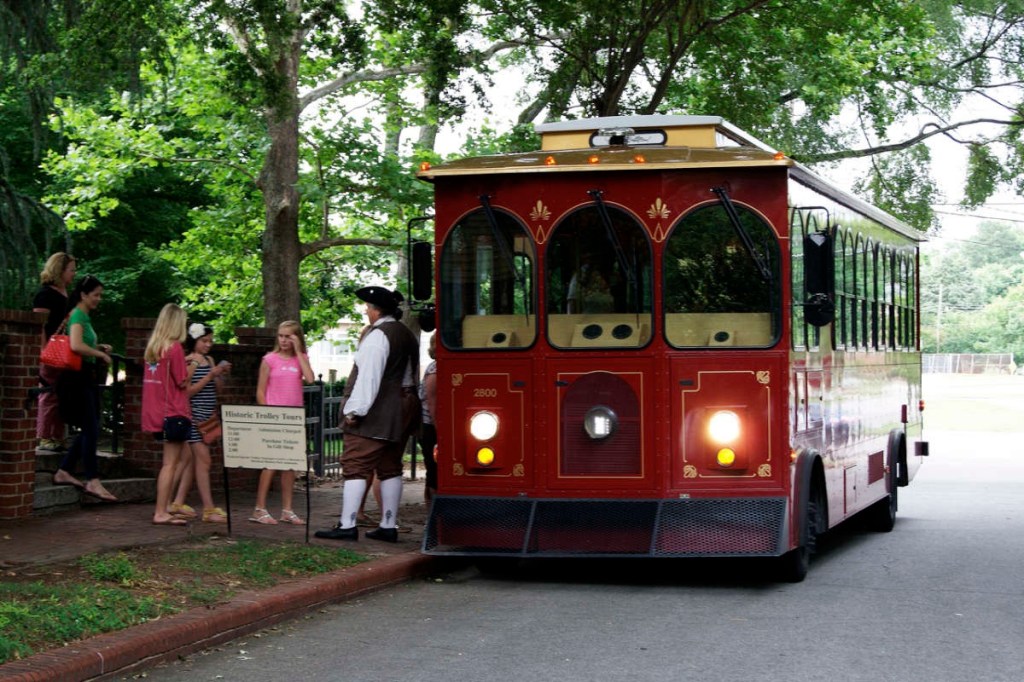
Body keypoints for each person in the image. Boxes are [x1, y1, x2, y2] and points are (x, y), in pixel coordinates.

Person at [316, 286, 419, 543]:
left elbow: (369, 378)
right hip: (402, 408)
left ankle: (347, 524)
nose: (366, 311)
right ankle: (388, 525)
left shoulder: (378, 336)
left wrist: (354, 411)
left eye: (368, 307)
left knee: (355, 466)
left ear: (376, 310)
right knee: (390, 467)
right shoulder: (405, 334)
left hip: (378, 410)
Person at [51, 274, 117, 501]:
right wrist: (99, 354)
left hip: (83, 376)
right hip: (75, 378)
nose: (99, 299)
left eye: (100, 295)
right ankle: (92, 479)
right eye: (96, 295)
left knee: (91, 427)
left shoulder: (84, 317)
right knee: (91, 427)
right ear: (83, 295)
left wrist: (99, 346)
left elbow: (82, 343)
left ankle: (64, 470)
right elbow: (76, 345)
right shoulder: (78, 314)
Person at [251, 320, 315, 525]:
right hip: (275, 418)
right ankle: (259, 508)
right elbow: (261, 391)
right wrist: (267, 415)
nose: (284, 340)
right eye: (281, 335)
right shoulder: (269, 359)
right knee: (271, 463)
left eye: (289, 336)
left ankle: (287, 509)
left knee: (290, 466)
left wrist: (299, 351)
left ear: (297, 337)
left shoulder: (301, 358)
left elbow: (310, 379)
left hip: (293, 418)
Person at [168, 323, 231, 523]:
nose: (208, 345)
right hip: (193, 417)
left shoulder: (209, 359)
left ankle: (176, 502)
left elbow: (217, 389)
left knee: (189, 461)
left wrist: (219, 374)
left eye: (210, 341)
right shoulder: (190, 362)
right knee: (204, 462)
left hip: (207, 417)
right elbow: (186, 392)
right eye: (204, 341)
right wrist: (210, 375)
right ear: (194, 341)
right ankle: (209, 509)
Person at [142, 303, 193, 526]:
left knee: (185, 457)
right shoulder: (175, 348)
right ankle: (161, 511)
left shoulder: (154, 348)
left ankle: (169, 504)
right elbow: (182, 381)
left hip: (155, 412)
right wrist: (195, 365)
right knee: (170, 463)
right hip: (173, 412)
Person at [32, 252, 77, 452]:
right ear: (60, 270)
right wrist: (43, 351)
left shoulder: (66, 294)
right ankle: (44, 435)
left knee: (62, 394)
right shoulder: (45, 295)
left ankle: (57, 435)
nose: (74, 274)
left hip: (65, 350)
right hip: (51, 350)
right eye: (71, 270)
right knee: (49, 394)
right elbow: (39, 325)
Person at [419, 332, 438, 501]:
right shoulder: (434, 370)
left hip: (433, 425)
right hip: (430, 427)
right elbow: (433, 404)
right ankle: (432, 514)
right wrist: (441, 431)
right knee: (434, 471)